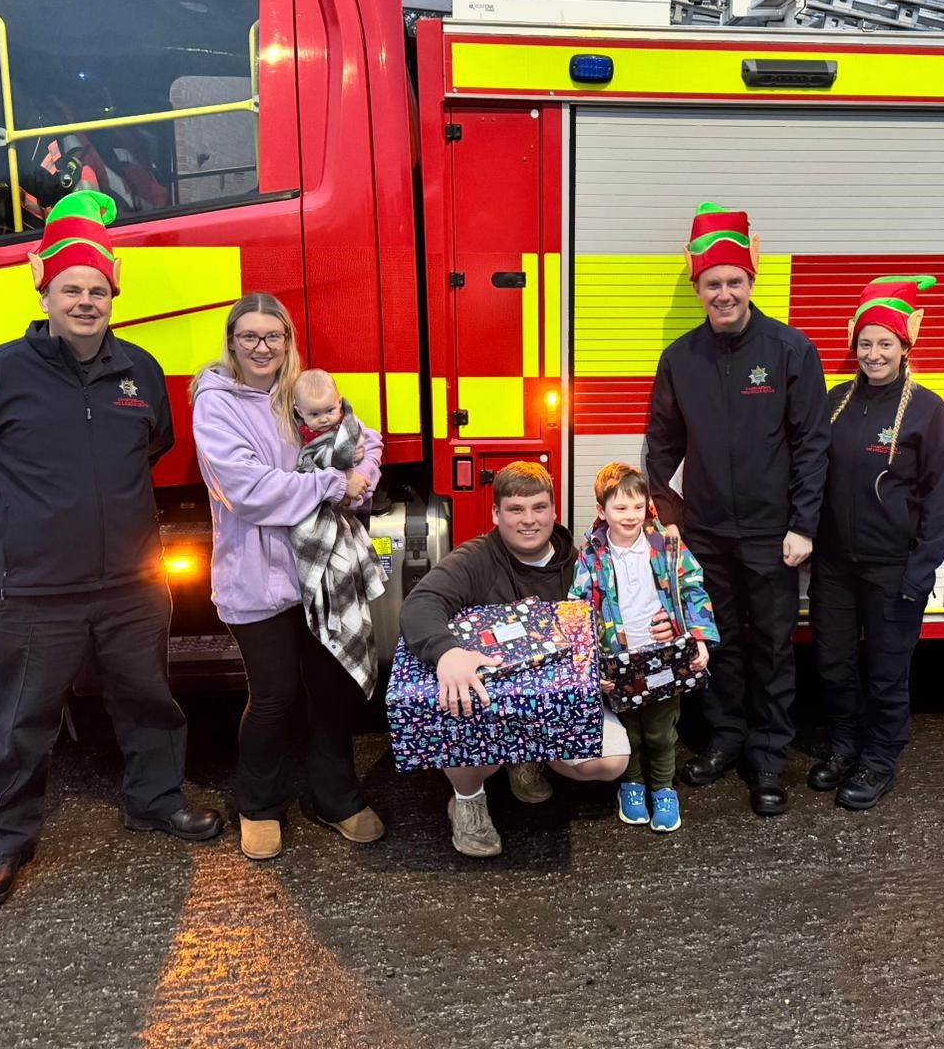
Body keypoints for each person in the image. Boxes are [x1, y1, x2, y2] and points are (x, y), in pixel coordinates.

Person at [0, 190, 221, 908]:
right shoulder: (0, 374)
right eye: (71, 289)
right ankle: (4, 844)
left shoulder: (140, 371)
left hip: (133, 582)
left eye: (97, 290)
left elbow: (153, 446)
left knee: (150, 700)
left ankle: (155, 800)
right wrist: (34, 521)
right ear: (45, 291)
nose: (85, 302)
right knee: (21, 721)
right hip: (39, 589)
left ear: (113, 295)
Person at [645, 202, 830, 817]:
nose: (723, 293)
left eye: (734, 281)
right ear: (697, 288)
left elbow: (811, 444)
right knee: (715, 639)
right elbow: (662, 444)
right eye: (712, 283)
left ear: (752, 282)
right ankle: (725, 737)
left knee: (774, 644)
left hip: (772, 535)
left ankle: (769, 756)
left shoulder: (789, 350)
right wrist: (667, 515)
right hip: (706, 531)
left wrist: (804, 523)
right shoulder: (681, 358)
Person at [190, 294, 385, 862]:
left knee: (331, 689)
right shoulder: (216, 403)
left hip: (320, 571)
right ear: (231, 342)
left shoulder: (300, 391)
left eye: (272, 336)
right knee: (273, 695)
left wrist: (363, 474)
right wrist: (332, 485)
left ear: (288, 340)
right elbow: (249, 492)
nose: (261, 347)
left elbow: (364, 438)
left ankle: (335, 799)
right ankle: (259, 804)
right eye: (249, 336)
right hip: (258, 577)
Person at [398, 462, 637, 858]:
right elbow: (419, 604)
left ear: (554, 511)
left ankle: (526, 759)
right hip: (488, 706)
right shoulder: (476, 558)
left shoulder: (581, 564)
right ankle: (468, 799)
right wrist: (448, 653)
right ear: (495, 514)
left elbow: (615, 619)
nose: (529, 520)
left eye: (539, 508)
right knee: (454, 707)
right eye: (516, 509)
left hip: (552, 704)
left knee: (612, 760)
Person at [809, 276, 944, 812]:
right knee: (833, 663)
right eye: (866, 343)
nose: (874, 354)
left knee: (886, 669)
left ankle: (879, 756)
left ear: (904, 347)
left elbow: (941, 499)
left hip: (894, 567)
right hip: (834, 565)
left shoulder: (926, 410)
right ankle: (845, 744)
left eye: (885, 343)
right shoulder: (834, 401)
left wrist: (922, 571)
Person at [568, 463, 717, 834]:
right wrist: (589, 668)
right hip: (618, 664)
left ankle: (664, 789)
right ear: (602, 511)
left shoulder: (666, 545)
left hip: (662, 658)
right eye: (620, 508)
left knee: (661, 729)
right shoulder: (590, 556)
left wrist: (697, 637)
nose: (630, 516)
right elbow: (578, 611)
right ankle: (632, 784)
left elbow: (692, 588)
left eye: (637, 506)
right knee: (629, 730)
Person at [287, 368, 386, 700]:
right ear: (298, 411)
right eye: (314, 414)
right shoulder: (292, 434)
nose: (325, 420)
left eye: (330, 410)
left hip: (347, 509)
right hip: (315, 515)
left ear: (339, 402)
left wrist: (361, 478)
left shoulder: (351, 427)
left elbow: (371, 446)